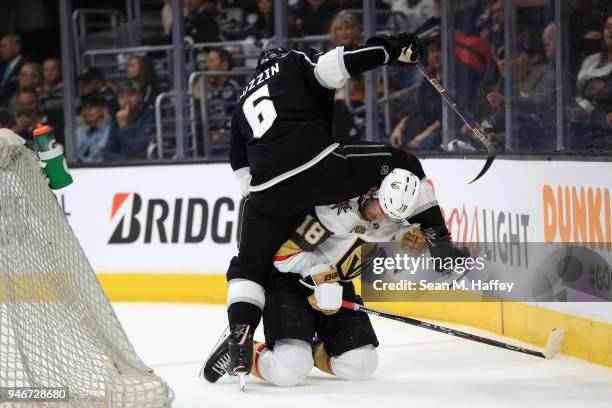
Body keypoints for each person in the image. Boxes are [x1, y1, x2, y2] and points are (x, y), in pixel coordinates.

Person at [224, 33, 469, 379]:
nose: (384, 214)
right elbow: (336, 63)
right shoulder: (294, 63)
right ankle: (439, 235)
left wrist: (265, 211)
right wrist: (390, 48)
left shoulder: (242, 104)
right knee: (404, 161)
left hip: (267, 189)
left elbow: (242, 174)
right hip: (317, 166)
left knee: (248, 265)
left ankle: (241, 333)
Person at [203, 169, 439, 386]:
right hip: (290, 281)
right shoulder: (333, 211)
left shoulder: (391, 221)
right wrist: (321, 276)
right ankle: (242, 348)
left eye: (393, 217)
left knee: (361, 365)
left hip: (336, 285)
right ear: (372, 192)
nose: (381, 219)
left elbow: (376, 262)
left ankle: (311, 349)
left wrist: (404, 244)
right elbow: (285, 256)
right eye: (381, 209)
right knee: (289, 372)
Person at [389, 30, 442, 151]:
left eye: (439, 50)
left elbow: (449, 116)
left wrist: (423, 136)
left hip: (445, 132)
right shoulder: (429, 78)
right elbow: (416, 108)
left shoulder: (455, 78)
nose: (436, 55)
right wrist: (398, 129)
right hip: (424, 128)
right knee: (395, 140)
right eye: (433, 51)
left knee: (425, 143)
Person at [103, 82, 156, 161]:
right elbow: (107, 153)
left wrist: (123, 126)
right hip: (123, 166)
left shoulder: (150, 115)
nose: (126, 100)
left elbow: (137, 150)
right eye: (122, 97)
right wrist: (125, 162)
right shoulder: (118, 118)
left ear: (139, 96)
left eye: (130, 95)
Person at [76, 93, 112, 163]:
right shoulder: (80, 131)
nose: (88, 111)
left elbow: (102, 156)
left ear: (102, 109)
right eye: (85, 108)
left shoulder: (110, 131)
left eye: (92, 107)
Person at [0, 34, 25, 107]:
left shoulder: (25, 65)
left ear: (16, 48)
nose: (1, 50)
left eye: (4, 46)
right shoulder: (2, 67)